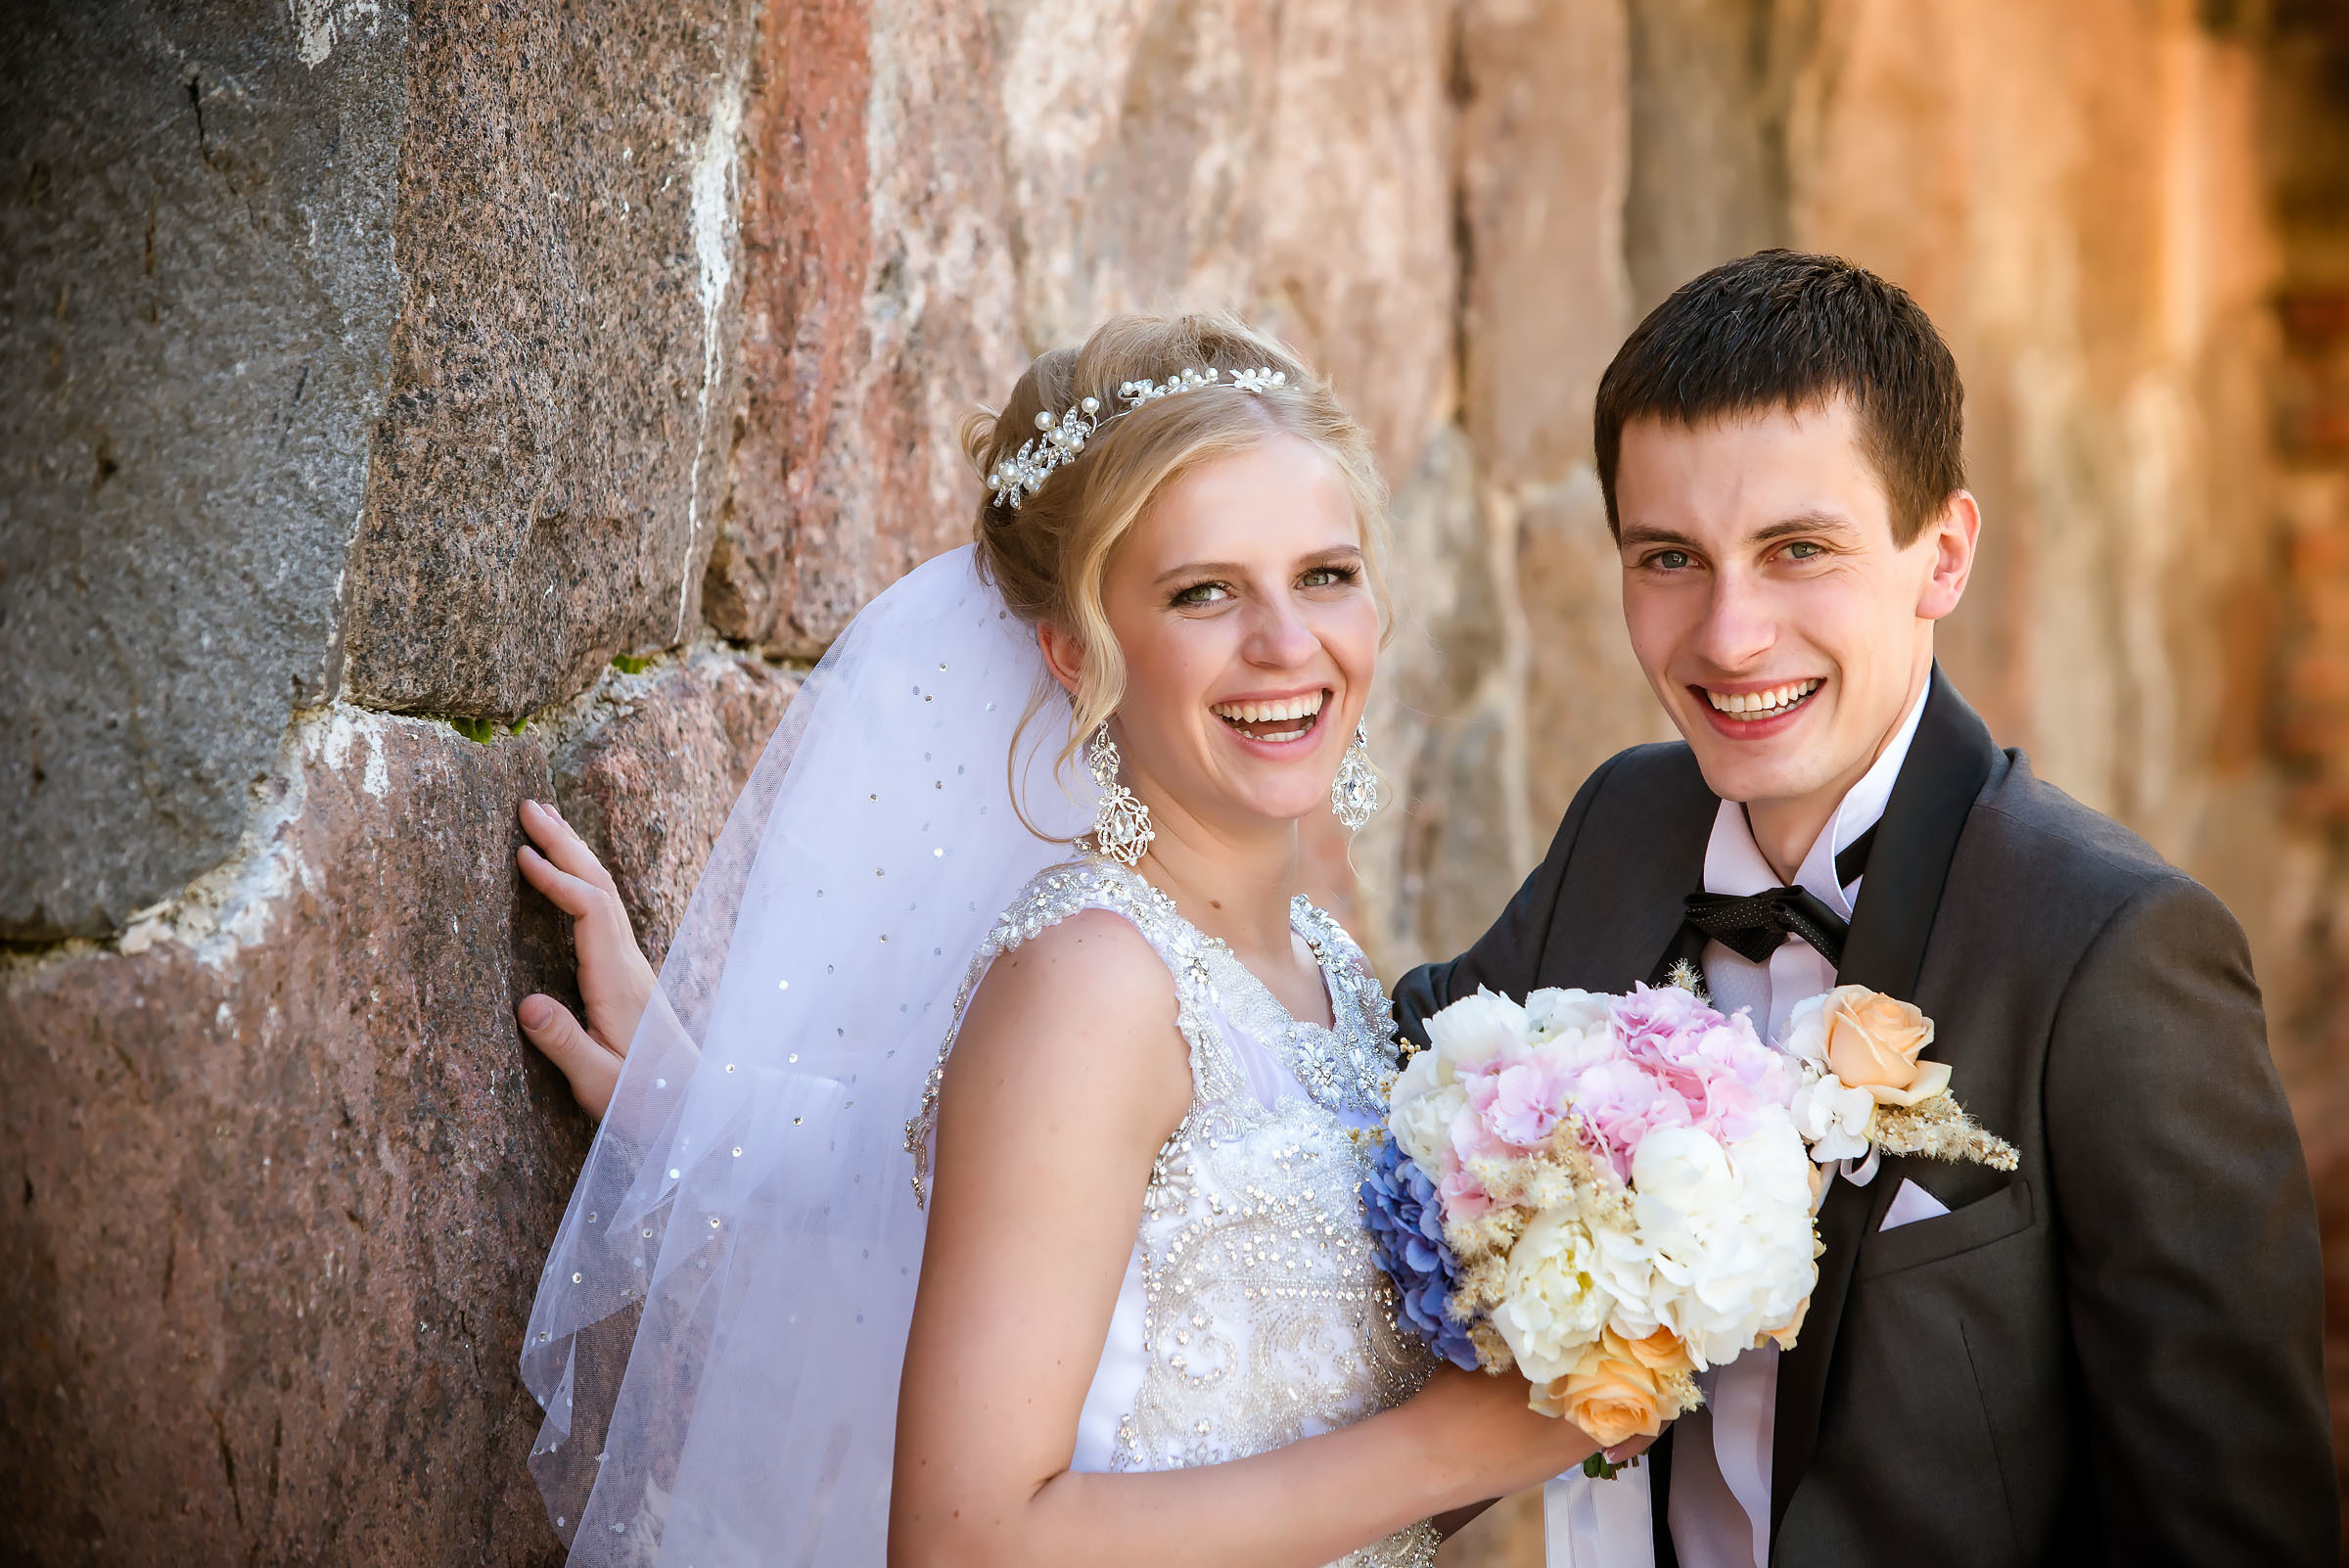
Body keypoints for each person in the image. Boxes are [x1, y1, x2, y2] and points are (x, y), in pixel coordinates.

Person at [508, 312, 1613, 1568]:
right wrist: (1455, 1446)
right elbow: (967, 1541)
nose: (1288, 644)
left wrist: (1578, 1381)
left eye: (1325, 574)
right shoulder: (1091, 985)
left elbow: (1329, 1489)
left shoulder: (1332, 978)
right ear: (1076, 647)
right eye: (1205, 592)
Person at [1396, 251, 2338, 1565]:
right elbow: (1377, 1099)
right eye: (1670, 557)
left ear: (1941, 554)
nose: (1728, 636)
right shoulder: (1621, 828)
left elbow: (2232, 1523)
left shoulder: (2114, 952)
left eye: (1798, 550)